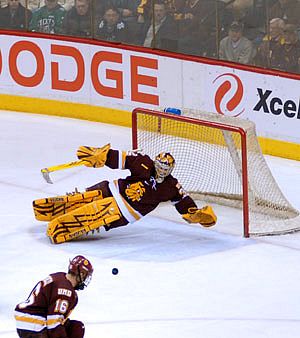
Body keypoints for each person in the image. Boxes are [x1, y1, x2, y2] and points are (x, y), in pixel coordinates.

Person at [33, 144, 217, 244]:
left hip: (123, 212)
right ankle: (52, 211)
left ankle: (63, 229)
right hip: (110, 189)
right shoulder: (143, 162)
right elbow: (120, 158)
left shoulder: (171, 186)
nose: (161, 171)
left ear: (171, 169)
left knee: (88, 216)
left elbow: (183, 203)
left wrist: (195, 214)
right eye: (159, 166)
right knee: (77, 200)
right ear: (155, 163)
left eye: (165, 168)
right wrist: (101, 155)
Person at [15, 255, 93, 338]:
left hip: (30, 319)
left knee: (76, 327)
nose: (85, 280)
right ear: (81, 274)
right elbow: (54, 324)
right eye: (85, 276)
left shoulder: (60, 277)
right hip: (34, 323)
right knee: (58, 329)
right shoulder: (65, 291)